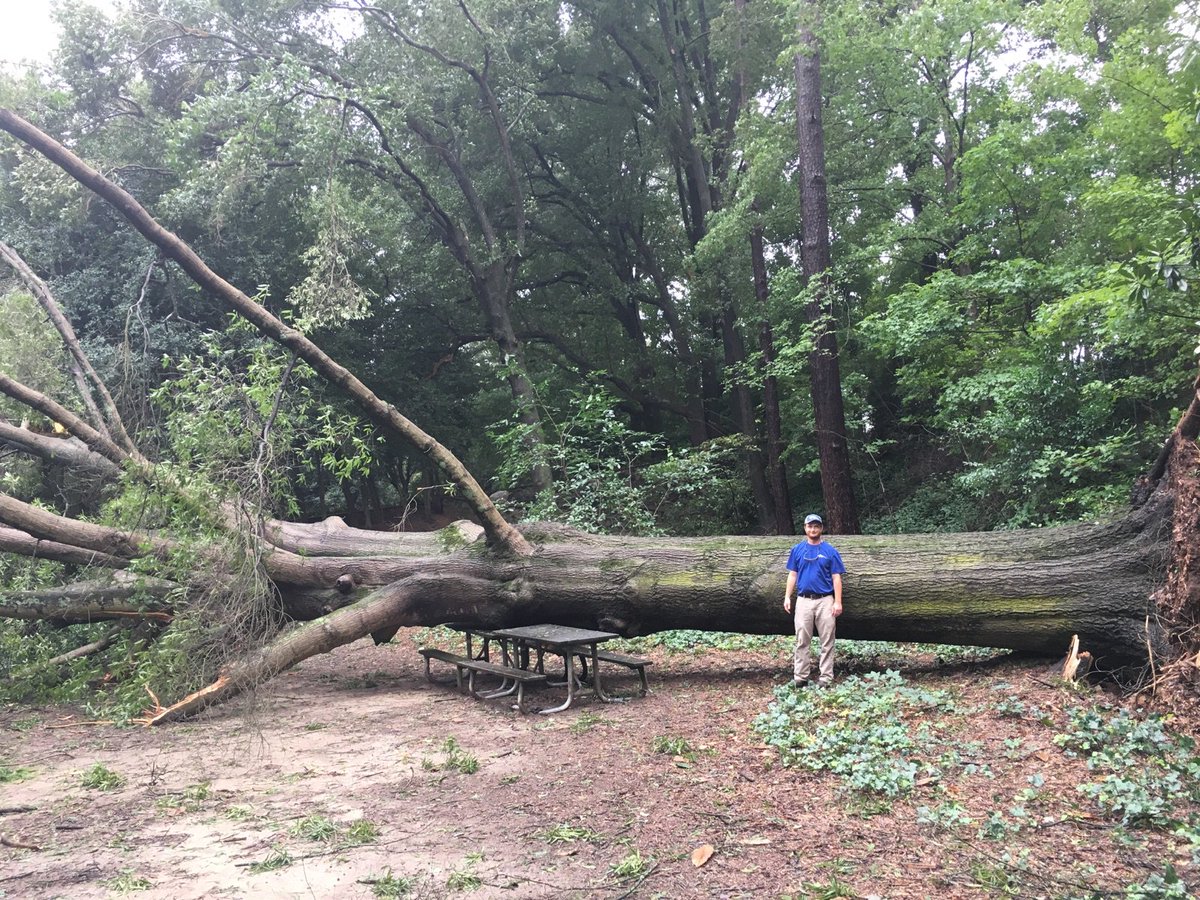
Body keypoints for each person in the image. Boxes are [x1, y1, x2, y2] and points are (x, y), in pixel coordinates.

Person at [783, 514, 845, 687]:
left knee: (827, 640)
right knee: (802, 639)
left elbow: (836, 578)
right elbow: (792, 575)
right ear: (805, 528)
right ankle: (800, 677)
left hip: (825, 600)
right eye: (810, 526)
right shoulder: (797, 550)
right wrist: (787, 596)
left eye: (816, 526)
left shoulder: (830, 551)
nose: (813, 529)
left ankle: (826, 678)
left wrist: (838, 601)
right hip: (803, 600)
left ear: (821, 528)